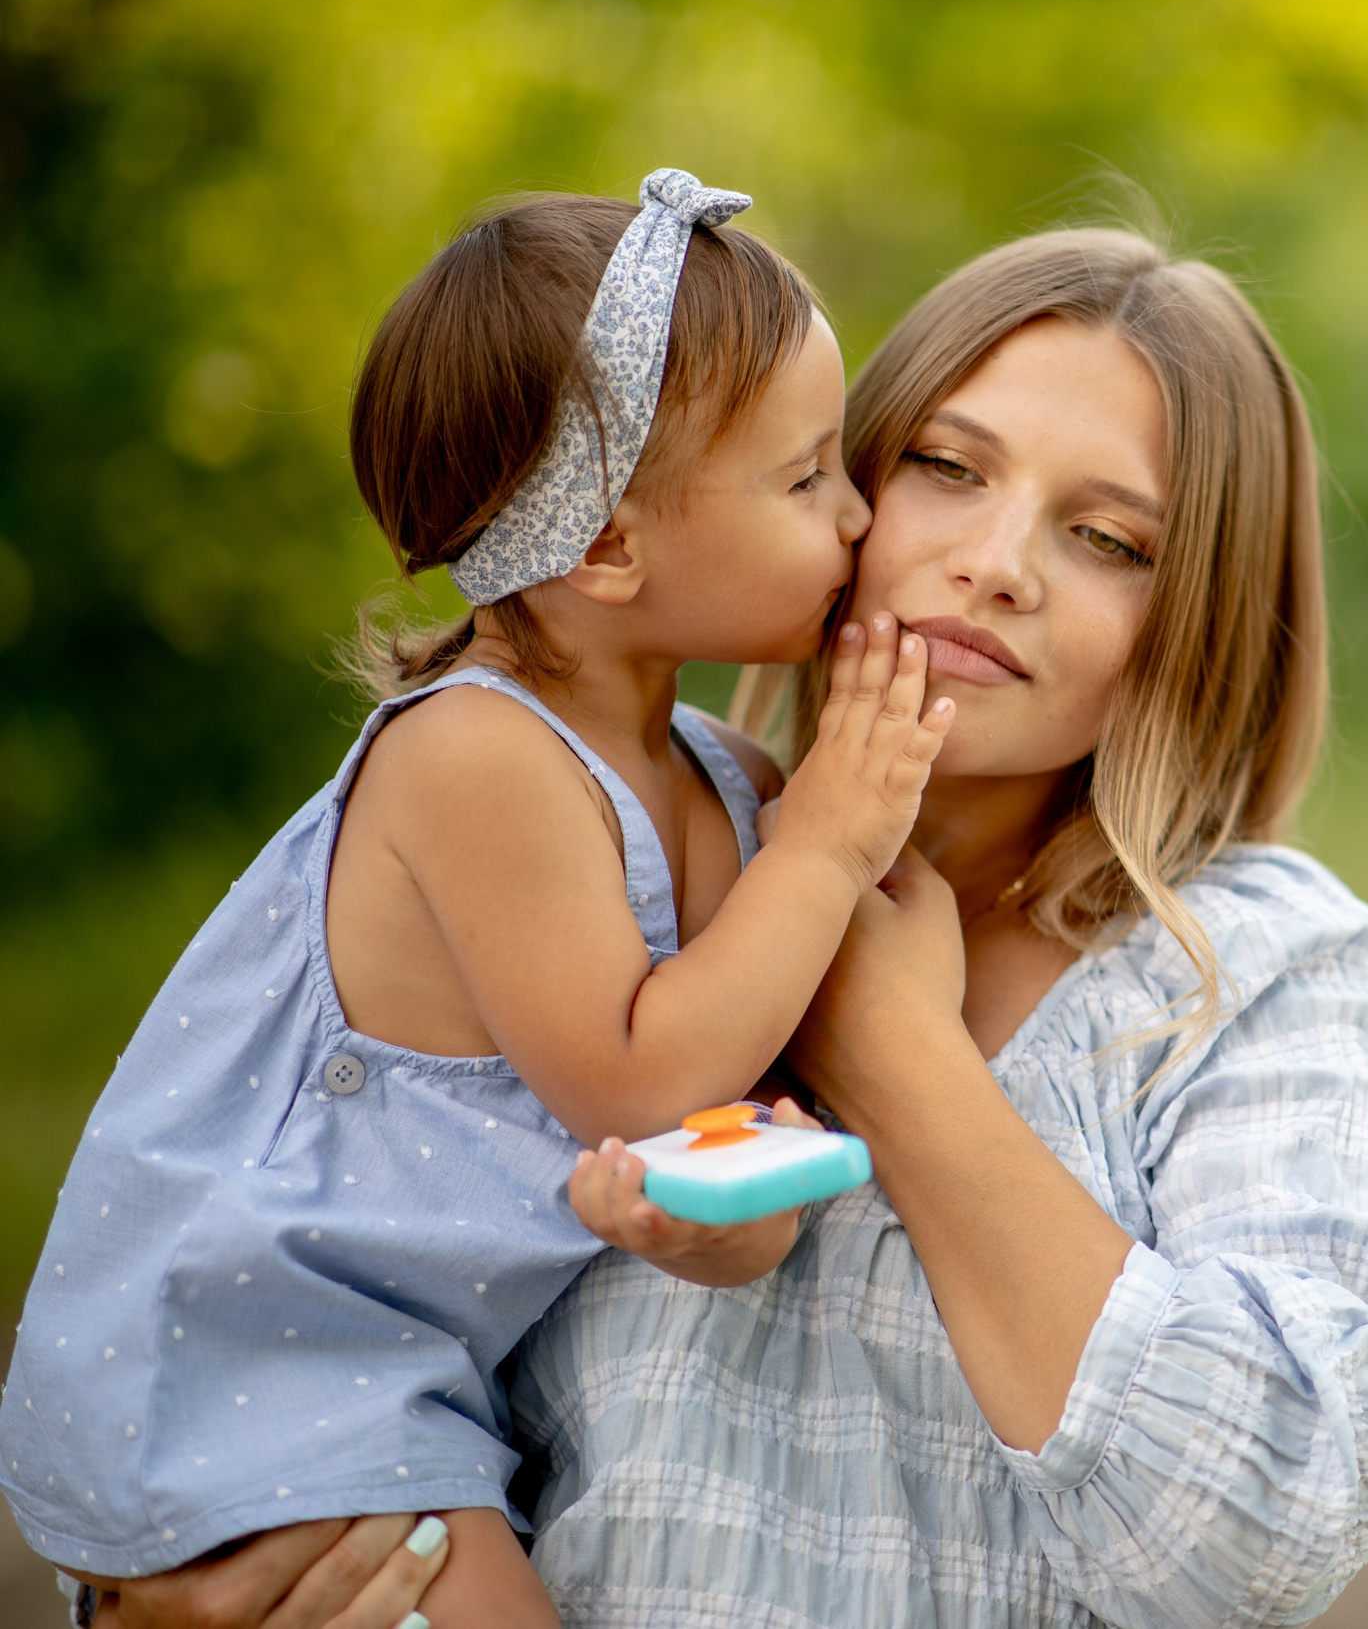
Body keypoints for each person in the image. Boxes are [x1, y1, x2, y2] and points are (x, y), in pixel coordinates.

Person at [92, 225, 1368, 1629]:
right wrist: (177, 1596)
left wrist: (891, 1048)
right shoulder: (603, 833)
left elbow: (1257, 1540)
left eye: (1111, 539)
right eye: (947, 467)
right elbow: (339, 1303)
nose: (999, 564)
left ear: (1200, 621)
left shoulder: (1252, 969)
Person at [7, 170, 950, 1627]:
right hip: (255, 1353)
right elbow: (635, 1081)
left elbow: (724, 1114)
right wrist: (824, 846)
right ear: (608, 548)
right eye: (807, 475)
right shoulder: (478, 755)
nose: (858, 511)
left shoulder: (719, 778)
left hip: (402, 1366)